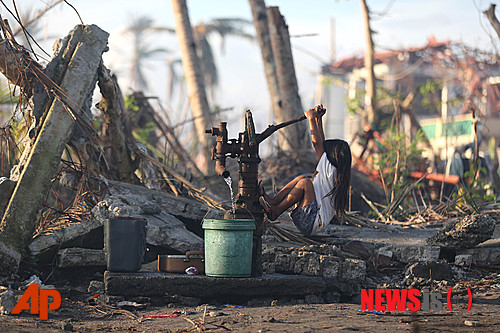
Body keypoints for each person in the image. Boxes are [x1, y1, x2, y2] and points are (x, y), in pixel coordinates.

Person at [259, 104, 352, 235]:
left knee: (305, 183)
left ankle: (276, 211)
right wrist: (318, 119)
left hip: (311, 222)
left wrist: (311, 119)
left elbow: (317, 143)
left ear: (333, 157)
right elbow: (321, 143)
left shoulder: (331, 170)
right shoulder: (335, 170)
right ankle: (273, 201)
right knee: (302, 178)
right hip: (312, 221)